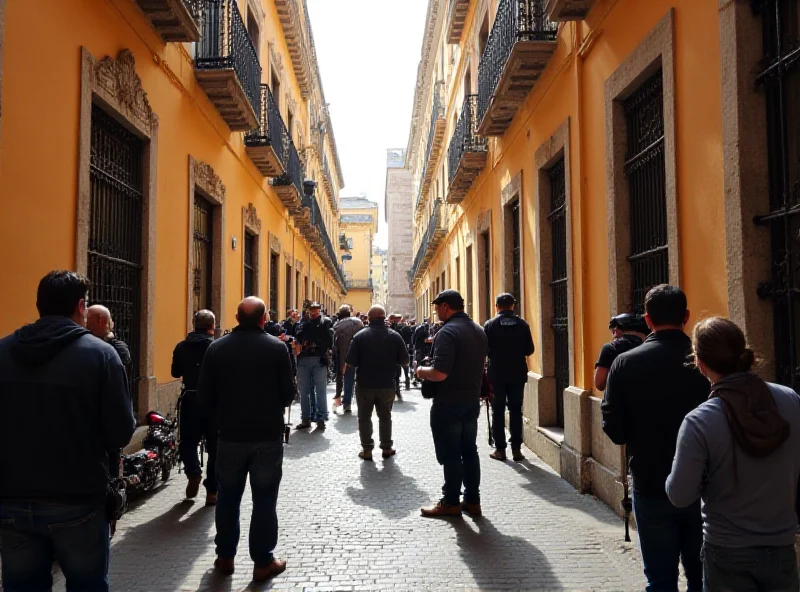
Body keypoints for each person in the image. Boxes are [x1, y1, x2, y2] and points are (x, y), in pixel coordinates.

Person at [0, 270, 135, 592]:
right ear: (80, 306)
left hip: (11, 497)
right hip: (78, 497)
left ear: (38, 304)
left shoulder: (3, 352)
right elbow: (120, 433)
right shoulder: (102, 355)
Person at [666, 317, 800, 592]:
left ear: (700, 364)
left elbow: (680, 495)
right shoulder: (791, 400)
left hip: (727, 551)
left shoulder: (700, 421)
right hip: (782, 545)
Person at [601, 285, 709, 592]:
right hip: (704, 483)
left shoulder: (625, 362)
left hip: (651, 480)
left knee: (660, 580)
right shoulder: (705, 361)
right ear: (686, 317)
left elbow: (615, 428)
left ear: (647, 320)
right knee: (702, 576)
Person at [197, 297, 294, 583]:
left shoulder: (216, 348)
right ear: (264, 319)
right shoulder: (277, 348)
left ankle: (225, 557)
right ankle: (263, 561)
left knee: (227, 499)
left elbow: (204, 396)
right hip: (266, 437)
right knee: (264, 500)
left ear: (237, 317)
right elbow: (288, 395)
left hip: (229, 436)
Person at [416, 290, 488, 518]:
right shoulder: (478, 330)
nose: (436, 311)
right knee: (470, 451)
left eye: (437, 306)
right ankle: (472, 500)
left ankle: (451, 501)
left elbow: (440, 373)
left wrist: (420, 371)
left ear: (446, 307)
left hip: (449, 403)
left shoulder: (448, 332)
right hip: (471, 401)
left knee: (450, 454)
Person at [346, 305, 409, 460]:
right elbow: (405, 360)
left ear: (369, 319)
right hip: (387, 384)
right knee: (385, 416)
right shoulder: (395, 336)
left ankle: (367, 449)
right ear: (384, 318)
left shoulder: (360, 336)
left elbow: (351, 361)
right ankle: (386, 448)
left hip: (365, 384)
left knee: (364, 417)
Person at [171, 309, 218, 505]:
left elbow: (175, 373)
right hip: (213, 401)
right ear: (212, 327)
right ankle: (212, 492)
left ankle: (193, 472)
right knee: (215, 447)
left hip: (190, 398)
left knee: (187, 441)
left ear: (194, 325)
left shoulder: (181, 346)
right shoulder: (216, 347)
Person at [483, 293, 535, 462]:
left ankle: (500, 449)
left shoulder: (490, 325)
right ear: (513, 306)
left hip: (497, 375)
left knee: (497, 412)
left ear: (496, 306)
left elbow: (485, 350)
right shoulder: (522, 325)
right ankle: (516, 449)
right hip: (517, 374)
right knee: (516, 411)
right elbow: (529, 350)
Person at [294, 301, 333, 430]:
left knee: (320, 390)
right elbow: (297, 337)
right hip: (303, 359)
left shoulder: (326, 322)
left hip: (319, 359)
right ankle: (306, 418)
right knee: (304, 391)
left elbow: (329, 341)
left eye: (316, 309)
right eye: (312, 309)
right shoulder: (302, 322)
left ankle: (321, 418)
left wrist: (315, 342)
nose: (314, 312)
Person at [594, 313, 649, 391]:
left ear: (615, 331)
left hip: (618, 400)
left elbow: (599, 384)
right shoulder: (650, 347)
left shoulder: (610, 349)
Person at [332, 305, 363, 413]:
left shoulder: (337, 325)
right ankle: (361, 401)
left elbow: (334, 344)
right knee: (360, 379)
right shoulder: (359, 323)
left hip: (344, 356)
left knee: (347, 379)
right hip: (359, 355)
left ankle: (347, 403)